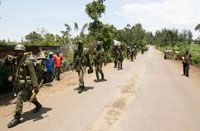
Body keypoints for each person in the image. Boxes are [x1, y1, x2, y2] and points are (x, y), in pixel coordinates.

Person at [3, 44, 42, 128]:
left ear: (23, 52)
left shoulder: (28, 61)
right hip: (18, 83)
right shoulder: (15, 60)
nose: (18, 53)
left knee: (20, 98)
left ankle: (17, 118)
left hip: (26, 84)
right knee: (29, 96)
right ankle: (38, 105)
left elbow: (33, 74)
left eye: (20, 51)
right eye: (17, 51)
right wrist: (7, 57)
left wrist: (35, 87)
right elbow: (5, 64)